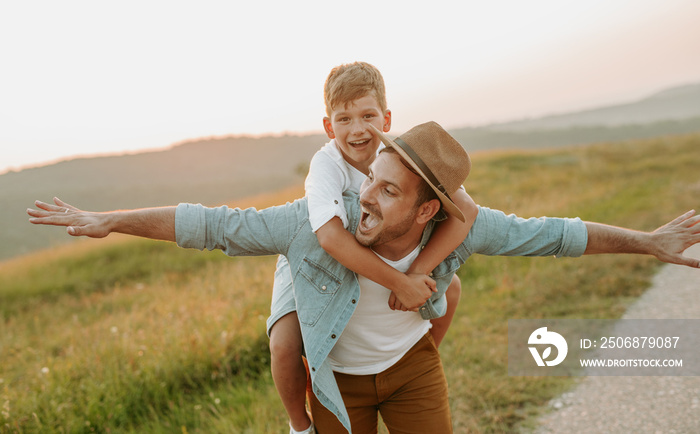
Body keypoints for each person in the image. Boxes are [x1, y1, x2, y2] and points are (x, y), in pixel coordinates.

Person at [27, 122, 700, 433]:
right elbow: (210, 223)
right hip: (335, 387)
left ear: (428, 209)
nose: (365, 199)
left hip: (411, 374)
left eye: (387, 192)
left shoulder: (459, 232)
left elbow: (556, 236)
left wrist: (649, 242)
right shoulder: (315, 221)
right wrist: (109, 218)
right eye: (368, 182)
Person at [269, 62, 477, 434]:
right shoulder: (325, 164)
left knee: (453, 288)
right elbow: (329, 238)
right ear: (329, 127)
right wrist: (399, 283)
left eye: (367, 115)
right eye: (344, 119)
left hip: (381, 245)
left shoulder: (403, 154)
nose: (357, 129)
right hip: (312, 256)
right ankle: (300, 425)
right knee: (284, 343)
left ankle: (416, 359)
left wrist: (417, 271)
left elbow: (468, 208)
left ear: (386, 118)